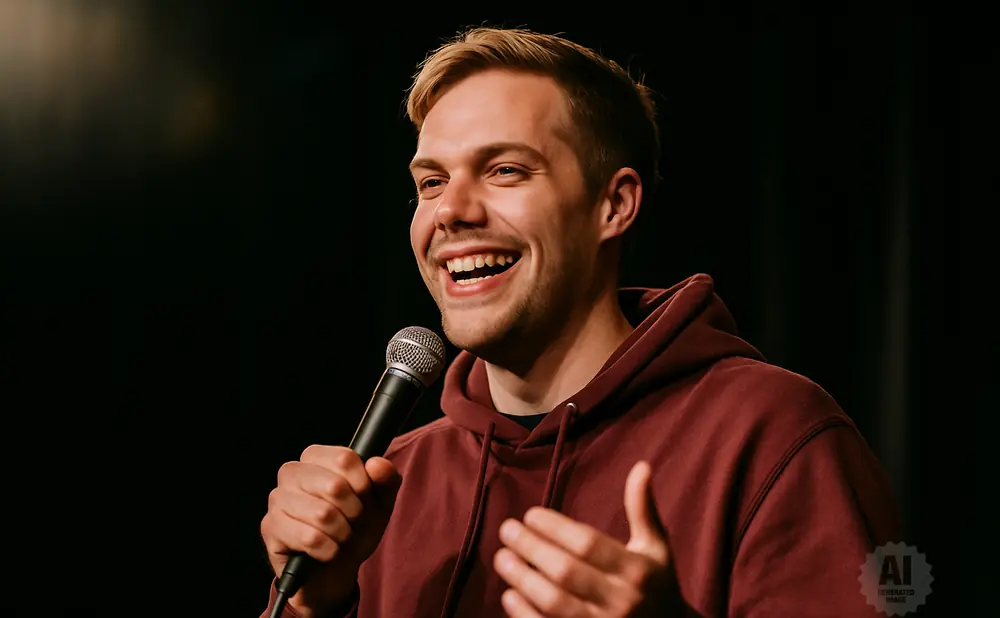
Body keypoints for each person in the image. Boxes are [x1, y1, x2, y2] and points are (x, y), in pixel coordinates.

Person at [259, 27, 901, 618]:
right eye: (430, 182)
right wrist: (317, 606)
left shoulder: (770, 434)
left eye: (504, 169)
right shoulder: (394, 480)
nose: (449, 210)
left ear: (613, 204)